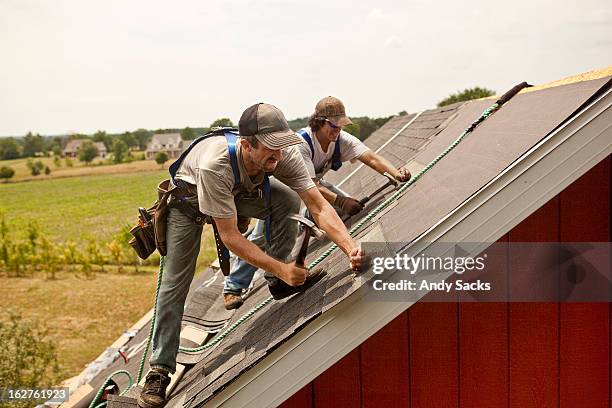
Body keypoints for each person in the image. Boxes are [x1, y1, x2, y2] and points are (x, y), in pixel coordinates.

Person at [137, 102, 364, 408]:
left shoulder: (282, 154)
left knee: (285, 199)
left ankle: (277, 282)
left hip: (234, 190)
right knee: (176, 282)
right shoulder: (214, 165)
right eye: (271, 149)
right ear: (247, 145)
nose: (279, 155)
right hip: (187, 204)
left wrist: (350, 247)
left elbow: (318, 205)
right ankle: (160, 369)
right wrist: (285, 267)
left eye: (282, 146)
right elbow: (231, 237)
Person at [223, 96, 410, 310]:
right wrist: (341, 200)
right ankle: (234, 286)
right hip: (285, 191)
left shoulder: (341, 141)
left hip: (312, 188)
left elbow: (372, 158)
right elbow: (310, 190)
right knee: (262, 237)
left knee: (340, 211)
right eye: (334, 125)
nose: (338, 129)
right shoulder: (300, 144)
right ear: (319, 122)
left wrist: (396, 173)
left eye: (342, 125)